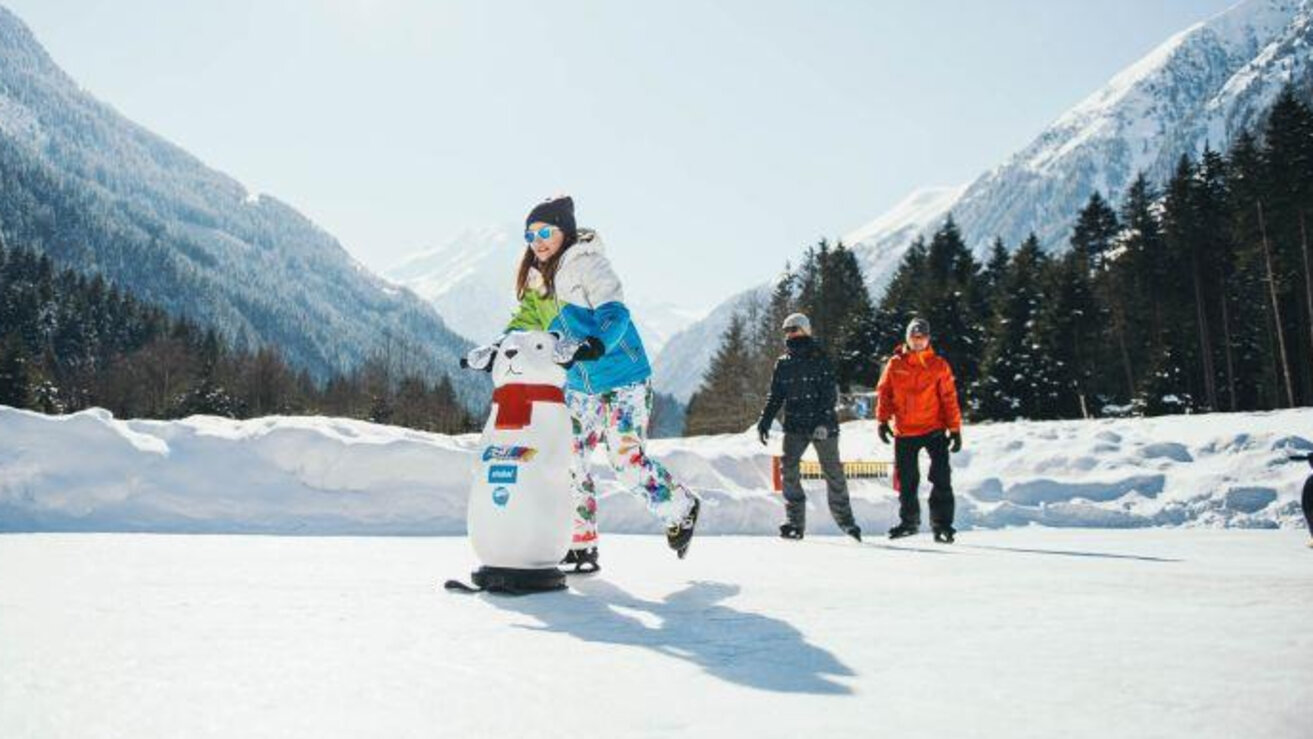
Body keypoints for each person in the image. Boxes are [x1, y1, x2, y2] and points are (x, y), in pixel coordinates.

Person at [463, 196, 700, 571]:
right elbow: (523, 324)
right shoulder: (538, 280)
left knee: (626, 461)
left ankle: (680, 508)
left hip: (623, 379)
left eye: (545, 232)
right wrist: (496, 349)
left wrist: (596, 342)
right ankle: (581, 542)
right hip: (578, 386)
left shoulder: (588, 263)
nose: (537, 242)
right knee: (568, 459)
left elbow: (615, 313)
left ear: (565, 231)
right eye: (530, 235)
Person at [756, 313, 861, 542]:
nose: (789, 334)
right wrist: (765, 420)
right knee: (788, 470)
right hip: (795, 425)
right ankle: (795, 523)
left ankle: (847, 522)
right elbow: (776, 395)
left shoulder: (820, 358)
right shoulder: (783, 363)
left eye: (794, 329)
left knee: (833, 472)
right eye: (787, 330)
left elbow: (829, 395)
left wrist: (822, 423)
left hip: (822, 425)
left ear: (805, 330)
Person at [875, 317, 963, 543]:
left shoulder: (939, 365)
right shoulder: (895, 364)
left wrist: (954, 429)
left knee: (941, 477)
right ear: (908, 339)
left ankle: (942, 525)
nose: (918, 342)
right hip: (905, 432)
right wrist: (882, 421)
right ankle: (909, 523)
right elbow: (885, 393)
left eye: (922, 338)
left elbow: (949, 398)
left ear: (928, 339)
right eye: (914, 338)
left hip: (934, 429)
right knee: (907, 481)